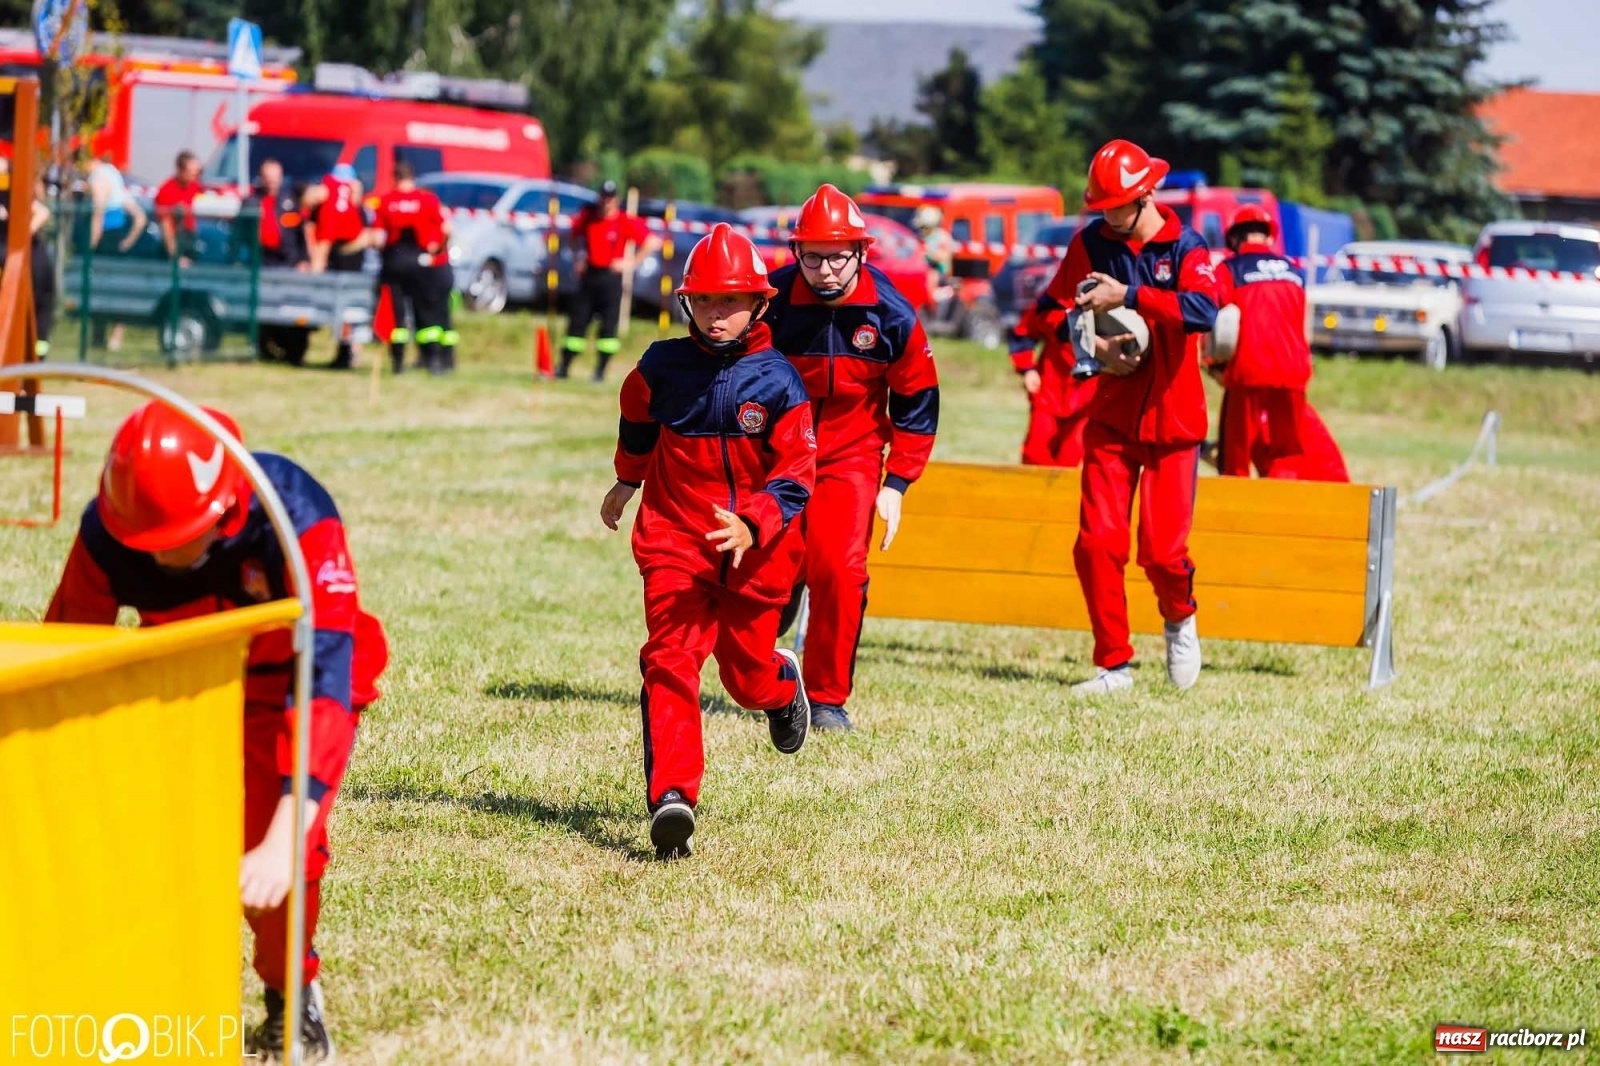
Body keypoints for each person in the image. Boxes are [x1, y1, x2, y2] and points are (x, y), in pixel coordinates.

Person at [44, 401, 389, 1064]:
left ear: (226, 508)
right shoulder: (110, 533)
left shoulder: (296, 516)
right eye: (143, 541)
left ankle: (291, 995)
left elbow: (325, 677)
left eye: (174, 538)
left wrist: (285, 835)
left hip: (287, 683)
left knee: (283, 849)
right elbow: (65, 656)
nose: (158, 556)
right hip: (188, 678)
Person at [601, 223, 816, 859]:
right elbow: (636, 416)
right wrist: (627, 479)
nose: (717, 314)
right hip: (676, 539)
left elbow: (796, 475)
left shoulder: (780, 383)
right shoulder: (660, 367)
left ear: (758, 305)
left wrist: (753, 522)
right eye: (705, 301)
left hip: (758, 554)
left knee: (745, 679)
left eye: (731, 301)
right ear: (686, 303)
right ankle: (673, 798)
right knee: (669, 658)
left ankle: (781, 685)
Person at [1027, 139, 1217, 696]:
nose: (1108, 217)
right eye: (1102, 207)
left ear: (1146, 194)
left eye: (1117, 206)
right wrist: (1094, 348)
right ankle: (1114, 665)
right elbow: (1051, 310)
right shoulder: (1090, 242)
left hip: (1175, 423)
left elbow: (1202, 310)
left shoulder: (1186, 245)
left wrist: (1130, 294)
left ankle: (1180, 619)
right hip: (1111, 418)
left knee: (1163, 553)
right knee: (1096, 544)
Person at [764, 183, 940, 732]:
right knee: (768, 564)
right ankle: (768, 661)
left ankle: (826, 699)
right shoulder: (769, 301)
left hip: (852, 455)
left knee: (840, 571)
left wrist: (898, 482)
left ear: (862, 252)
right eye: (812, 257)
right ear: (796, 253)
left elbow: (918, 401)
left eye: (838, 257)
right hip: (776, 455)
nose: (825, 270)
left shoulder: (891, 314)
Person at [1209, 205, 1350, 482]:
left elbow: (1216, 321)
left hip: (1249, 368)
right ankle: (1279, 501)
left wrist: (1213, 365)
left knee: (1236, 455)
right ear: (1269, 237)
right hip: (1293, 370)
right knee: (1286, 453)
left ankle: (1235, 503)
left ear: (1235, 238)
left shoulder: (1230, 269)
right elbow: (1300, 324)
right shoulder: (1294, 271)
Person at [562, 180, 660, 381]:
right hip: (590, 275)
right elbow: (572, 236)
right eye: (604, 197)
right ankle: (564, 366)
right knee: (577, 323)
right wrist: (578, 256)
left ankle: (600, 371)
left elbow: (652, 242)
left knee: (608, 326)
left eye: (610, 198)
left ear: (616, 199)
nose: (606, 202)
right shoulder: (588, 217)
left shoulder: (624, 220)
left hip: (611, 278)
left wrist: (631, 263)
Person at [368, 161, 453, 375]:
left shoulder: (386, 201)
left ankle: (397, 363)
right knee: (426, 311)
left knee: (395, 313)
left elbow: (378, 238)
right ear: (412, 177)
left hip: (394, 263)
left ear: (394, 178)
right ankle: (433, 361)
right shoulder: (427, 199)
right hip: (421, 262)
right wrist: (437, 250)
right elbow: (446, 229)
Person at [1008, 297, 1098, 466]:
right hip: (1049, 389)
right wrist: (1027, 369)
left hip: (1089, 399)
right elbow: (1024, 332)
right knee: (1036, 453)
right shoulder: (1057, 296)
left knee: (1070, 458)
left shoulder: (1114, 299)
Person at [86, 152, 146, 254]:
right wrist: (127, 243)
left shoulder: (99, 177)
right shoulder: (115, 177)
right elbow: (140, 218)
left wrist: (90, 249)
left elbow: (98, 213)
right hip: (117, 237)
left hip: (103, 238)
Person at [153, 150, 202, 265]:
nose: (195, 176)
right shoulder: (166, 191)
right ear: (180, 170)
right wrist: (175, 257)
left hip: (191, 238)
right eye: (191, 172)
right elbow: (166, 226)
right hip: (175, 241)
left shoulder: (194, 186)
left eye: (197, 173)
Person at [913, 204, 953, 310]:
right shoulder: (920, 237)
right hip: (921, 270)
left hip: (938, 272)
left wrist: (928, 254)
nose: (923, 230)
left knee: (930, 277)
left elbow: (944, 256)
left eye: (925, 227)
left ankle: (931, 308)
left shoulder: (942, 237)